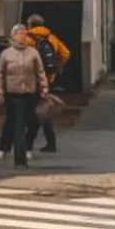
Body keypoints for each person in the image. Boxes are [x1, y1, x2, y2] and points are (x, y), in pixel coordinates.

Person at [0, 25, 49, 168]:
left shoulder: (33, 53)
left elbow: (40, 72)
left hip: (30, 92)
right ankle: (4, 147)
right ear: (13, 36)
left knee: (31, 121)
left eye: (25, 33)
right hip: (12, 92)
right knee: (12, 121)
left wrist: (44, 88)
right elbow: (0, 74)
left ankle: (27, 147)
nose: (23, 36)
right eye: (20, 33)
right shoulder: (6, 54)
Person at [23, 14, 71, 154]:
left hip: (32, 81)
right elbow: (66, 53)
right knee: (44, 110)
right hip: (49, 79)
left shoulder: (27, 39)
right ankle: (51, 143)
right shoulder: (51, 37)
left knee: (32, 112)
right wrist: (58, 67)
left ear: (30, 25)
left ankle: (28, 145)